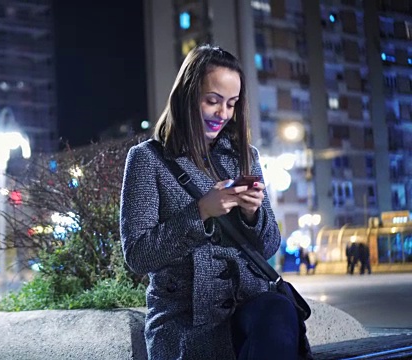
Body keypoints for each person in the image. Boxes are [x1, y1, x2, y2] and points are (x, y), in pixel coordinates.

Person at [120, 45, 300, 359]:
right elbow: (137, 255)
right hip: (186, 320)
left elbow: (269, 246)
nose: (223, 114)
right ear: (188, 96)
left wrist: (252, 213)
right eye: (212, 101)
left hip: (248, 309)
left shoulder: (245, 156)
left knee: (276, 310)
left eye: (231, 104)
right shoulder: (147, 159)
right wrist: (201, 211)